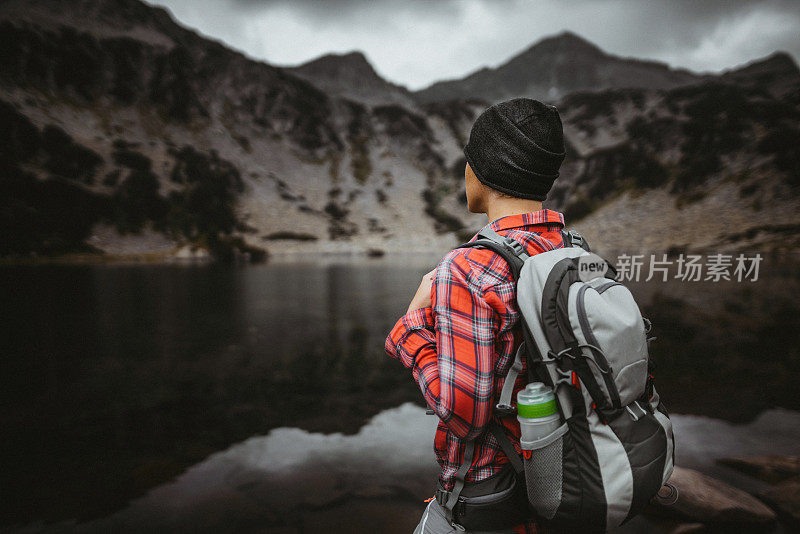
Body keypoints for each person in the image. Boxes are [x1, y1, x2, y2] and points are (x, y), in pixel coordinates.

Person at [385, 98, 568, 534]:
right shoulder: (569, 247)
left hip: (488, 496)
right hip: (557, 476)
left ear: (479, 171)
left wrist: (408, 331)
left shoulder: (468, 269)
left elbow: (463, 413)